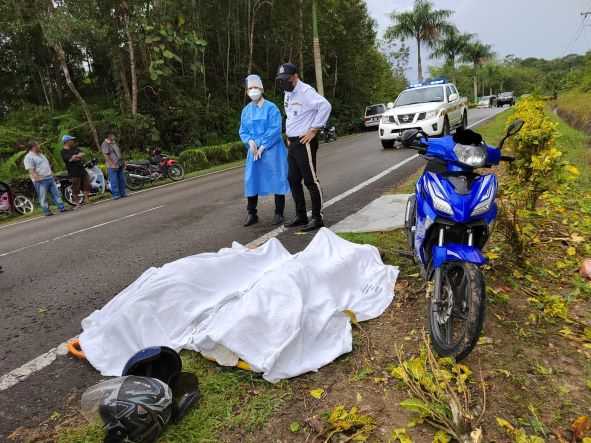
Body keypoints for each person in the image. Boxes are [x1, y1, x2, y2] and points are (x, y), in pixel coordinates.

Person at [275, 63, 332, 232]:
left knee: (310, 180)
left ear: (295, 76)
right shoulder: (287, 92)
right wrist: (288, 135)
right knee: (293, 179)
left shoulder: (306, 91)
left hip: (304, 141)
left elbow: (325, 106)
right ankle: (301, 216)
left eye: (287, 79)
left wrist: (314, 129)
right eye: (281, 79)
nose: (284, 82)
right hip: (292, 142)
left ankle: (317, 217)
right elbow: (291, 115)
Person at [239, 74, 290, 227]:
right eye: (250, 88)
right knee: (252, 179)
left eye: (256, 87)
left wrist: (263, 145)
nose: (253, 90)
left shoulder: (271, 108)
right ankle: (252, 213)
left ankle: (279, 213)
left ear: (261, 89)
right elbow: (243, 130)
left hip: (272, 150)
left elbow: (275, 129)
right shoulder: (246, 110)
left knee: (277, 177)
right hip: (254, 151)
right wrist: (249, 141)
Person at [22, 141, 68, 216]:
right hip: (41, 180)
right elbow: (31, 169)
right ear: (33, 147)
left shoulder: (41, 154)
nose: (39, 146)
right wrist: (37, 178)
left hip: (49, 177)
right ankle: (46, 211)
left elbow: (46, 165)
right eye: (38, 145)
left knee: (56, 194)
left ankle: (62, 207)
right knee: (43, 197)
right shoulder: (28, 157)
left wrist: (52, 174)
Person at [61, 135, 91, 207]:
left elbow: (82, 154)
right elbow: (70, 159)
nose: (73, 141)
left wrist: (75, 157)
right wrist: (76, 157)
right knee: (75, 188)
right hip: (73, 172)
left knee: (87, 184)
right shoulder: (63, 151)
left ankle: (87, 200)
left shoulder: (74, 148)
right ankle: (77, 203)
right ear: (67, 142)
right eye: (71, 140)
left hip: (82, 169)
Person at [101, 132, 127, 200]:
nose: (114, 136)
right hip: (112, 165)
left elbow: (119, 152)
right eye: (113, 135)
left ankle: (123, 193)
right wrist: (112, 164)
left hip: (119, 163)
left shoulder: (113, 142)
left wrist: (123, 161)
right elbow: (106, 155)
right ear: (109, 136)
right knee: (114, 180)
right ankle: (116, 194)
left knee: (121, 179)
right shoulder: (105, 144)